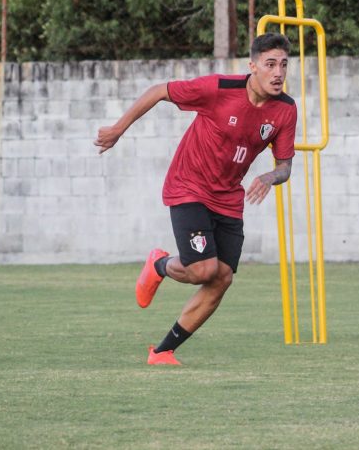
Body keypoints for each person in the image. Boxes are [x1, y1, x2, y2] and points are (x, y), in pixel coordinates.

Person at [94, 33, 297, 365]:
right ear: (253, 66)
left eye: (284, 65)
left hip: (228, 198)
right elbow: (161, 91)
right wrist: (118, 129)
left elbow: (285, 166)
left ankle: (162, 352)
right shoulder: (219, 89)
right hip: (189, 186)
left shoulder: (286, 110)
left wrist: (269, 177)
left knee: (222, 277)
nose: (278, 73)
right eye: (270, 64)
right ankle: (158, 265)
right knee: (203, 269)